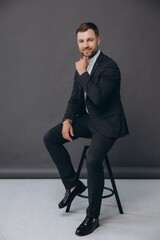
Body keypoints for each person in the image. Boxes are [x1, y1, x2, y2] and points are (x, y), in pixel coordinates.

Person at [44, 22, 129, 236]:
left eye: (89, 40)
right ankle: (73, 186)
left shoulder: (110, 67)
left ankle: (93, 216)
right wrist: (67, 120)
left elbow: (98, 99)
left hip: (107, 124)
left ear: (98, 40)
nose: (85, 45)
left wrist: (82, 73)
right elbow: (75, 98)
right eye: (81, 41)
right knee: (50, 138)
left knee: (92, 160)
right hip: (89, 120)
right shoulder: (82, 65)